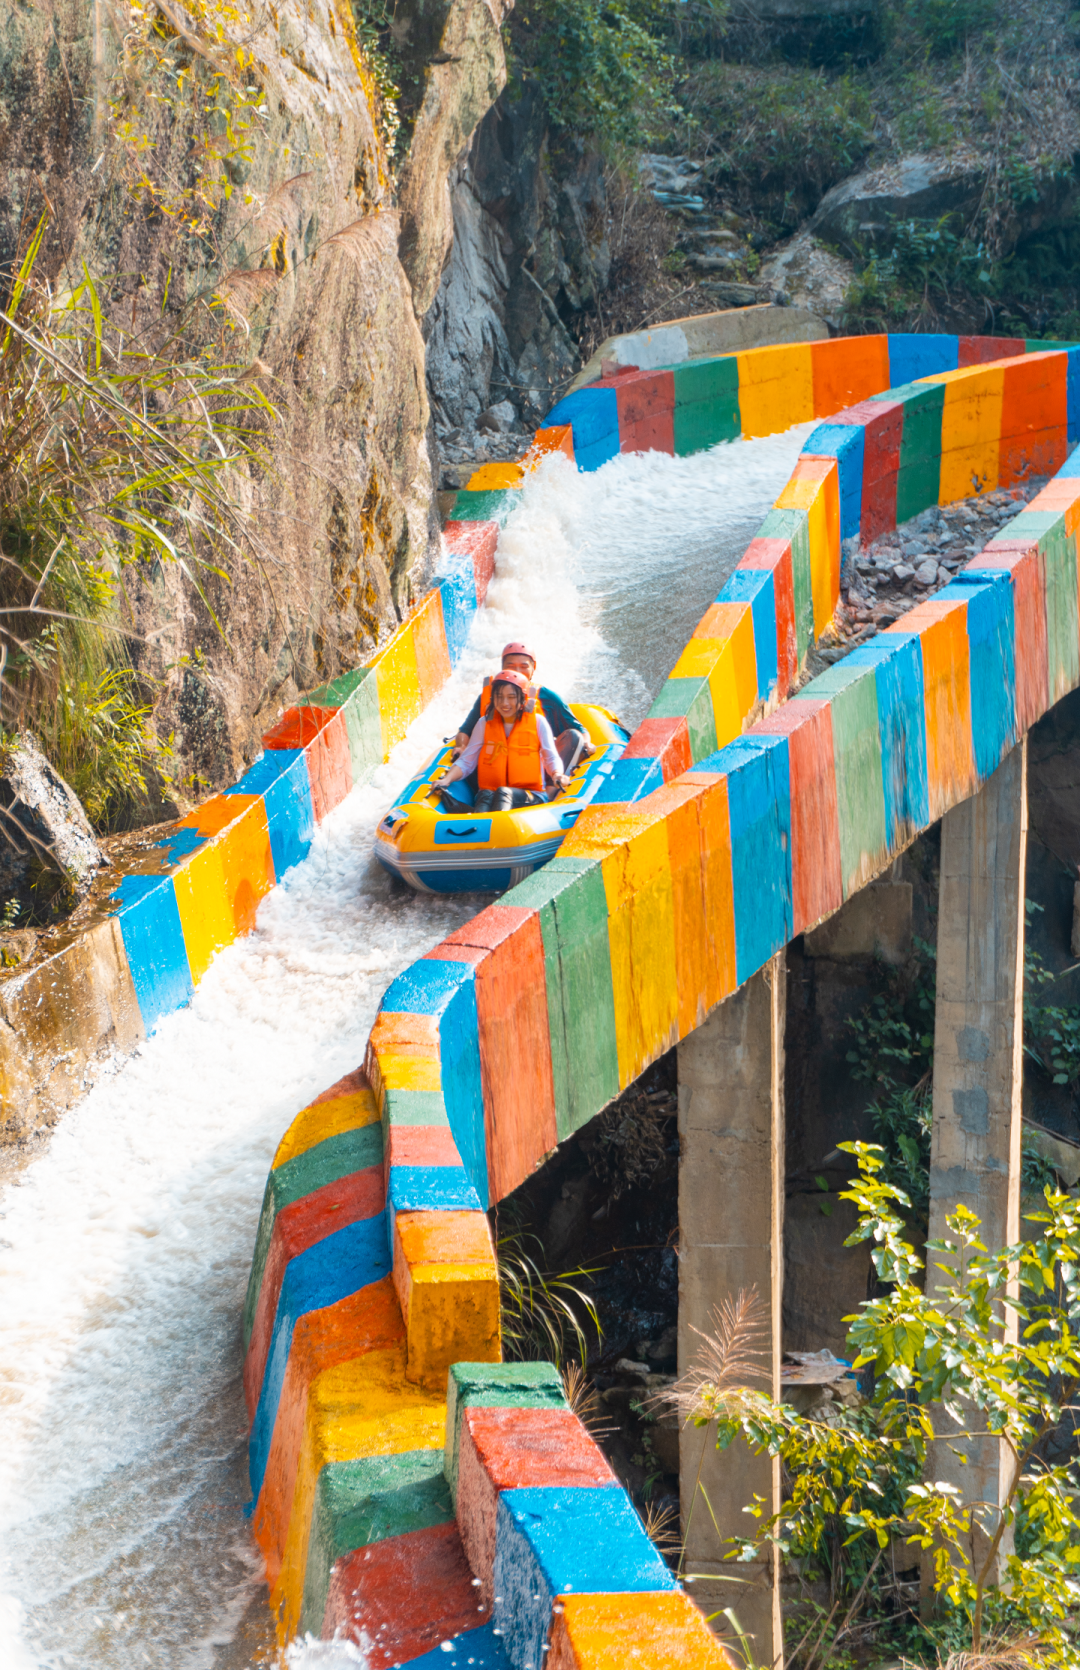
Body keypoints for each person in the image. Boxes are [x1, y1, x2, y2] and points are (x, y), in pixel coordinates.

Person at [438, 670, 572, 812]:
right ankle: (479, 827)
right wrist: (446, 780)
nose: (504, 703)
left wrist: (557, 774)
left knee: (503, 792)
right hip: (492, 793)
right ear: (492, 697)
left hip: (531, 795)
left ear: (522, 698)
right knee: (485, 794)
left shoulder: (538, 722)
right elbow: (467, 760)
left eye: (511, 697)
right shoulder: (484, 723)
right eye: (499, 696)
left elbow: (550, 756)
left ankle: (497, 830)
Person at [453, 643, 593, 758]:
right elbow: (465, 730)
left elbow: (578, 730)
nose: (518, 671)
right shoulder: (490, 696)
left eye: (524, 667)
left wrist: (586, 743)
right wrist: (461, 747)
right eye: (511, 666)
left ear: (533, 668)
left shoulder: (547, 697)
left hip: (534, 767)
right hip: (493, 763)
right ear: (502, 668)